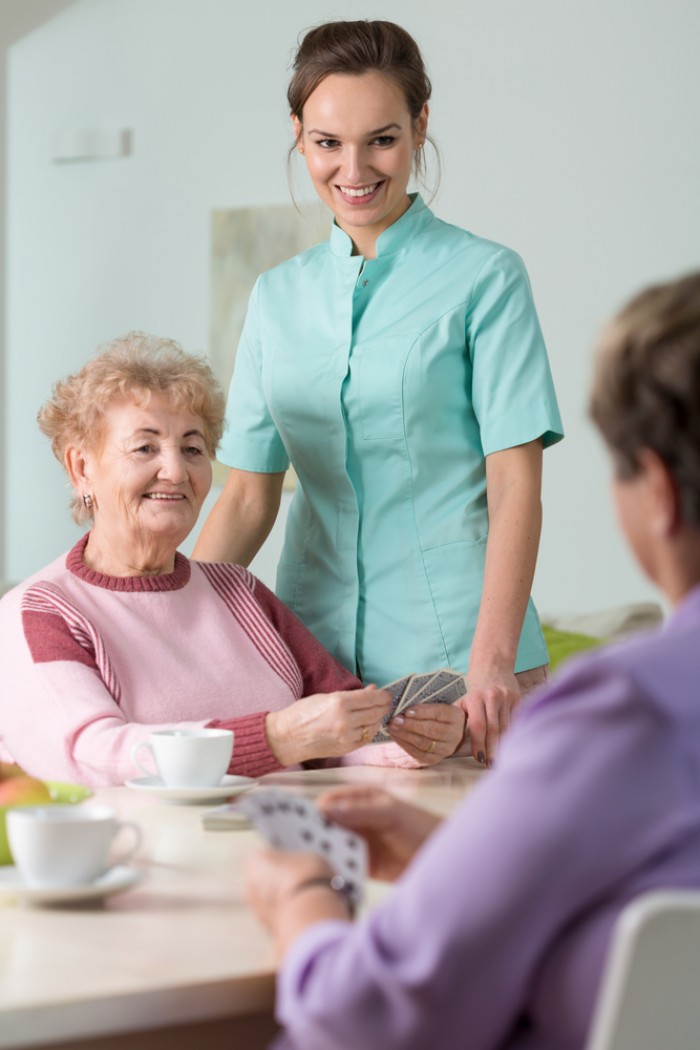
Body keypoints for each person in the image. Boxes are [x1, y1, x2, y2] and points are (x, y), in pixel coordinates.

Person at [245, 271, 700, 1050]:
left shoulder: (625, 713)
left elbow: (359, 1017)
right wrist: (463, 855)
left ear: (656, 489)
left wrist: (302, 891)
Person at [194, 19, 564, 766]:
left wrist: (489, 662)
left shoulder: (487, 279)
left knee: (463, 877)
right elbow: (244, 499)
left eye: (382, 139)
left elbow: (515, 487)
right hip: (308, 670)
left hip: (459, 666)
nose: (354, 168)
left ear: (421, 126)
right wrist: (176, 634)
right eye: (328, 142)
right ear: (299, 136)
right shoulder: (276, 298)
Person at [0, 332, 465, 787]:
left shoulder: (237, 590)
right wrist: (275, 739)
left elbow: (337, 727)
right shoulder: (42, 610)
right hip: (148, 855)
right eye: (145, 447)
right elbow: (90, 755)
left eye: (192, 448)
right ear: (82, 468)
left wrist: (410, 741)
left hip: (284, 845)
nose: (176, 470)